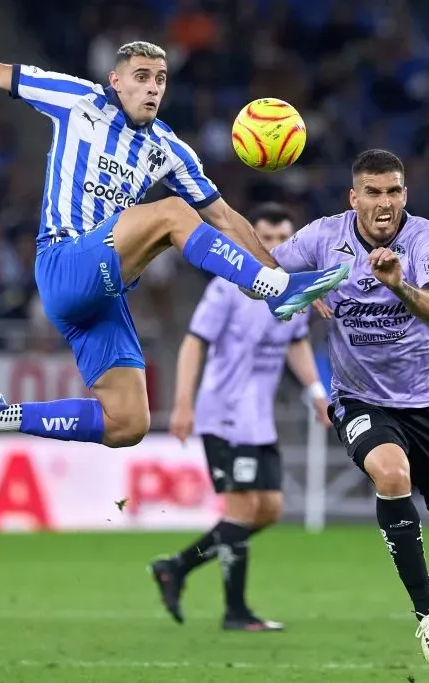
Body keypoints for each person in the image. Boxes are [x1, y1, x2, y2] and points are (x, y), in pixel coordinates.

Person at [0, 19, 349, 454]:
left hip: (103, 293)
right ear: (115, 81)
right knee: (174, 213)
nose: (152, 88)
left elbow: (226, 218)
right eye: (141, 78)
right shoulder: (78, 99)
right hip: (65, 261)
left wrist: (278, 268)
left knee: (128, 423)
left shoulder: (170, 148)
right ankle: (272, 292)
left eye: (159, 79)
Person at [270, 149, 429, 667]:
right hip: (359, 396)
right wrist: (296, 285)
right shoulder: (323, 237)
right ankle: (427, 618)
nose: (386, 203)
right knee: (390, 471)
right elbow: (263, 267)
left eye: (395, 191)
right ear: (353, 197)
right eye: (374, 193)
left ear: (405, 194)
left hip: (427, 399)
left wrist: (398, 283)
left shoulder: (425, 238)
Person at [151, 203, 331, 632]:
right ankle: (236, 612)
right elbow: (195, 343)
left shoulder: (291, 291)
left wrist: (315, 392)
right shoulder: (228, 288)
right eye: (264, 238)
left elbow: (296, 343)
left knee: (268, 509)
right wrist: (182, 402)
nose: (272, 247)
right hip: (225, 414)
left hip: (258, 419)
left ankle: (176, 566)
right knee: (242, 506)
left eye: (281, 240)